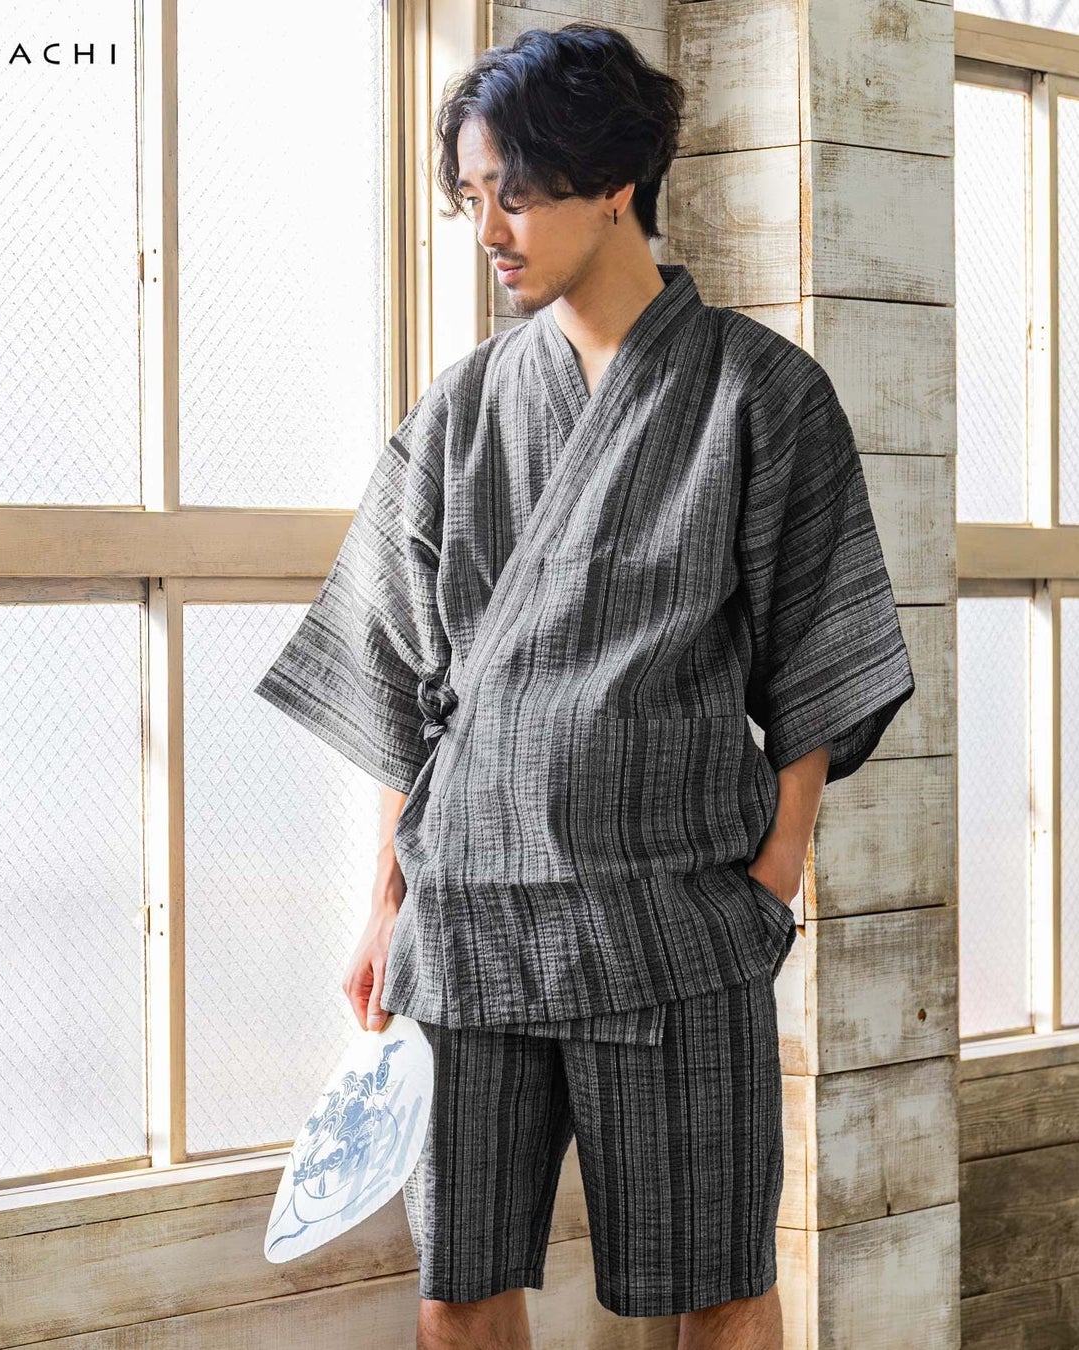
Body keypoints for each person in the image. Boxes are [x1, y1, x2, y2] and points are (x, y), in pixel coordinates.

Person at [253, 22, 914, 1350]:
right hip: (470, 924)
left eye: (514, 194)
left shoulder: (758, 395)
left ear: (615, 183)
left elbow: (817, 647)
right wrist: (385, 902)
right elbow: (402, 674)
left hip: (667, 920)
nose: (488, 231)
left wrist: (774, 873)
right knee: (457, 1290)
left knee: (716, 1282)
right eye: (469, 197)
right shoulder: (462, 408)